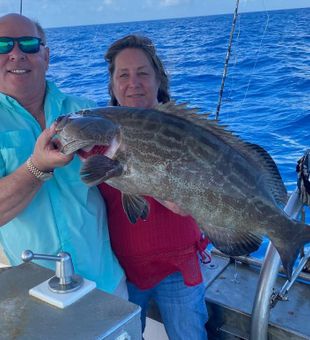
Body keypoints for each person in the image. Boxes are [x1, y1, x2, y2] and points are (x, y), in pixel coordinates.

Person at [0, 13, 126, 297]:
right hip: (37, 293)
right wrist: (36, 168)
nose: (16, 54)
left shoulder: (88, 110)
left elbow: (126, 176)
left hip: (105, 281)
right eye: (3, 45)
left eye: (29, 44)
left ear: (46, 56)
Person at [99, 34, 210, 339]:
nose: (133, 82)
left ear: (159, 79)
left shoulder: (187, 129)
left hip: (179, 267)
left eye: (143, 73)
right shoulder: (99, 132)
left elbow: (210, 189)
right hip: (122, 272)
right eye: (123, 74)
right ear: (112, 85)